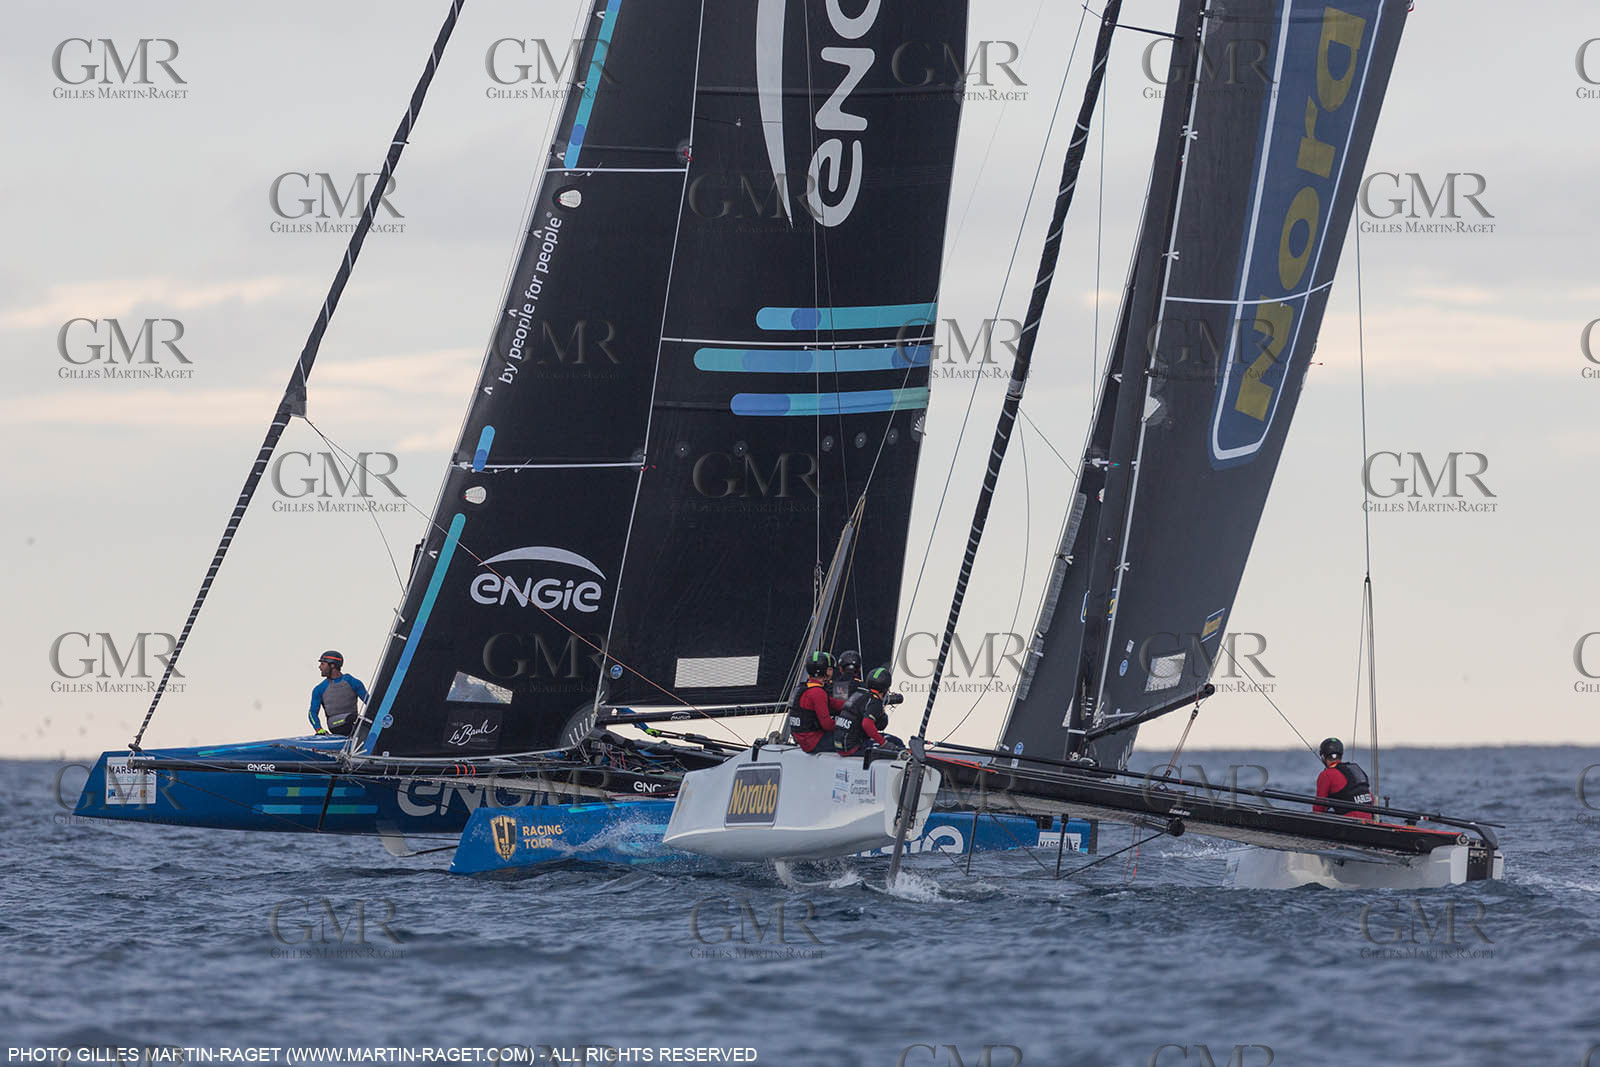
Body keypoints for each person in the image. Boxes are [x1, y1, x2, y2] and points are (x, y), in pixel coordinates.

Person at [787, 650, 843, 753]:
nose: (831, 672)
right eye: (829, 669)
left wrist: (851, 705)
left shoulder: (802, 688)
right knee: (852, 740)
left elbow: (833, 703)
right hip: (813, 742)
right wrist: (847, 726)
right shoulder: (818, 692)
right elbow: (827, 724)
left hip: (800, 739)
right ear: (823, 670)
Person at [833, 666, 894, 756]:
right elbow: (867, 724)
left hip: (839, 746)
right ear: (885, 688)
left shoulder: (858, 694)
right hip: (852, 748)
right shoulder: (875, 702)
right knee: (896, 742)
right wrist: (884, 743)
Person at [1312, 737, 1375, 820]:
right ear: (1341, 754)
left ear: (1323, 757)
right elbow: (1371, 799)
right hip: (1370, 820)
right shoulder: (1356, 769)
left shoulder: (1326, 775)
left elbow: (1318, 809)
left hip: (1350, 822)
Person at [308, 650, 369, 737]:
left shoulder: (352, 682)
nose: (320, 667)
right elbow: (312, 713)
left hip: (353, 721)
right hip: (335, 723)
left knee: (365, 721)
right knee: (354, 718)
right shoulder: (319, 689)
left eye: (322, 664)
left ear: (332, 665)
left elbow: (370, 702)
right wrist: (319, 729)